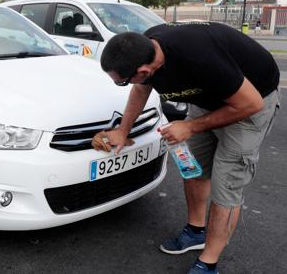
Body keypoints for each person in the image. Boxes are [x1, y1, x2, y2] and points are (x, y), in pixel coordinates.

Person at [91, 22, 280, 274]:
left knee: (227, 185)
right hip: (207, 100)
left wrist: (190, 127)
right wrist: (123, 131)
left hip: (249, 103)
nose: (122, 84)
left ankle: (209, 261)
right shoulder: (145, 47)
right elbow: (140, 89)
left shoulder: (199, 55)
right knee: (193, 168)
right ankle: (195, 231)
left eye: (121, 81)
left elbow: (251, 103)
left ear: (144, 70)